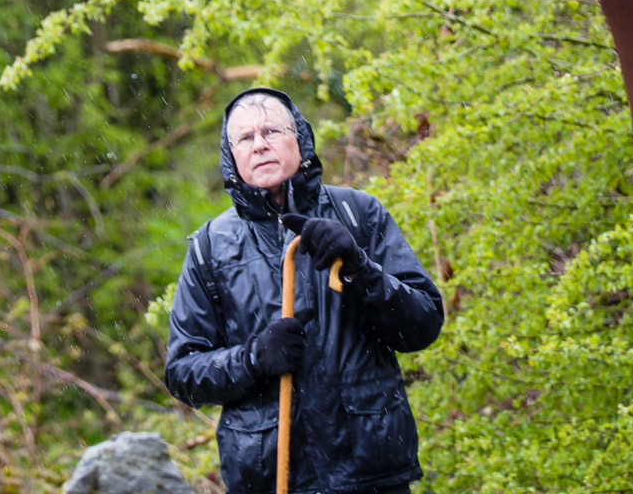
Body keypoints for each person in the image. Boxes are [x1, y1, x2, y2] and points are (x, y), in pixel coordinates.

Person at [165, 88, 443, 494]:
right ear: (231, 156)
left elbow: (423, 324)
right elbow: (182, 373)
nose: (259, 145)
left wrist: (361, 269)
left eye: (272, 131)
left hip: (369, 474)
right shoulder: (210, 246)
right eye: (244, 138)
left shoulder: (359, 213)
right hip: (270, 478)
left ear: (300, 139)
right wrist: (253, 359)